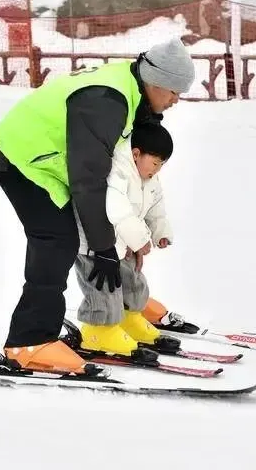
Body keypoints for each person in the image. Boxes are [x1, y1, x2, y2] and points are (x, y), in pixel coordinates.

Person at [0, 37, 195, 375]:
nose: (176, 100)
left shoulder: (136, 94)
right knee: (57, 240)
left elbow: (126, 178)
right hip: (24, 159)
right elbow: (88, 180)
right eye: (174, 92)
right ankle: (29, 342)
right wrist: (104, 248)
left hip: (58, 163)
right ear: (156, 82)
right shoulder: (105, 102)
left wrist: (124, 239)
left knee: (95, 234)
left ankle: (119, 313)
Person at [73, 122, 174, 356]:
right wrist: (139, 239)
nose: (158, 170)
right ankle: (98, 331)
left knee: (132, 280)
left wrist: (160, 231)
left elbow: (156, 206)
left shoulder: (148, 177)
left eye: (162, 165)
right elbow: (117, 209)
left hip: (122, 243)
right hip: (95, 243)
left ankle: (128, 319)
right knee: (103, 289)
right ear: (136, 154)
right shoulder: (117, 171)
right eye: (155, 163)